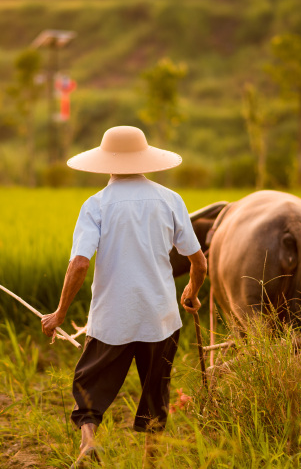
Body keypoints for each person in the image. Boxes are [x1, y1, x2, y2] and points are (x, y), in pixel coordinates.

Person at [41, 125, 208, 468]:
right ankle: (151, 463)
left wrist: (59, 314)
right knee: (155, 392)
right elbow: (199, 262)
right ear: (144, 158)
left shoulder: (96, 205)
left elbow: (79, 264)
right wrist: (192, 291)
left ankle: (89, 443)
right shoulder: (170, 200)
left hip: (111, 320)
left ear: (106, 162)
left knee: (88, 385)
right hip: (161, 318)